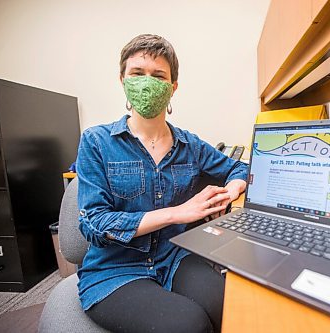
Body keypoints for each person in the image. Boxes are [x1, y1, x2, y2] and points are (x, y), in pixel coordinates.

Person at [76, 34, 248, 333]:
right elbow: (94, 224)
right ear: (123, 80)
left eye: (158, 76)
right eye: (137, 73)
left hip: (175, 256)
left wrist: (230, 191)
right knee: (188, 324)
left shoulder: (189, 144)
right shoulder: (96, 141)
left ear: (173, 87)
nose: (147, 83)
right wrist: (178, 213)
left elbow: (240, 167)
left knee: (233, 309)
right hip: (115, 269)